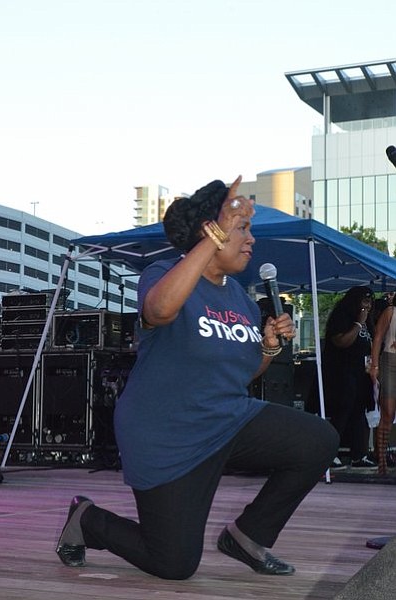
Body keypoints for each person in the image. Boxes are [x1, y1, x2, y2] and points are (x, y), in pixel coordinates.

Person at [56, 176, 339, 580]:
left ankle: (247, 535)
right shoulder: (162, 273)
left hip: (227, 421)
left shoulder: (240, 297)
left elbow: (244, 372)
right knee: (173, 563)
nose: (251, 240)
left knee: (319, 439)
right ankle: (86, 521)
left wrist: (269, 347)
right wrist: (216, 234)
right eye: (241, 229)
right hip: (167, 434)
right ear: (213, 231)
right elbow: (159, 312)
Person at [322, 286, 376, 469]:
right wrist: (359, 323)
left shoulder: (368, 321)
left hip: (361, 373)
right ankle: (329, 453)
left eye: (370, 302)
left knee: (359, 414)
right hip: (342, 373)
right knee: (341, 413)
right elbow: (342, 341)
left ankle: (359, 455)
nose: (367, 306)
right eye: (364, 301)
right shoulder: (343, 317)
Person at [369, 293, 396, 474]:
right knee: (387, 410)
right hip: (390, 360)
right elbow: (378, 336)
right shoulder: (391, 311)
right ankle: (381, 462)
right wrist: (375, 365)